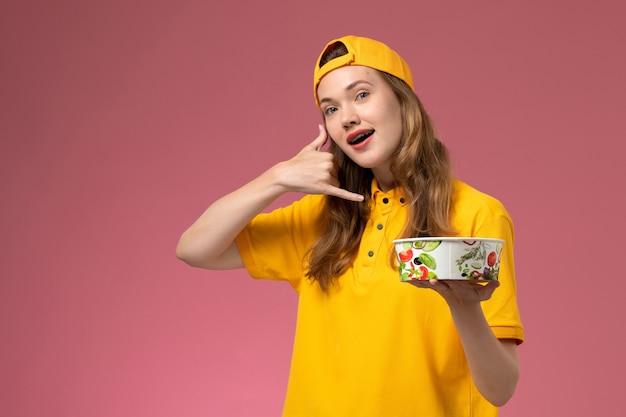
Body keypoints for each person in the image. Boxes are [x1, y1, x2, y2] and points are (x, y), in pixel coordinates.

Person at [176, 35, 524, 416]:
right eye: (330, 109)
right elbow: (194, 248)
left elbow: (500, 389)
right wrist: (276, 179)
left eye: (361, 95)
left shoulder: (477, 214)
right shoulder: (319, 218)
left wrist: (465, 308)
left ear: (402, 100)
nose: (346, 117)